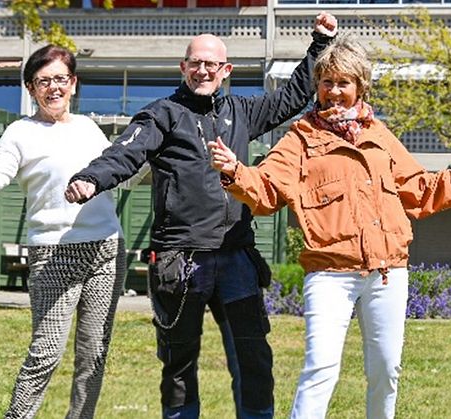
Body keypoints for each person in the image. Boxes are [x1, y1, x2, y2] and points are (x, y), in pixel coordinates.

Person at [64, 13, 339, 419]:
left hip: (236, 257)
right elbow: (126, 152)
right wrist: (91, 179)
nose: (203, 70)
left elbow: (293, 95)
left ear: (226, 71)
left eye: (212, 64)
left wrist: (320, 42)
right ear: (183, 67)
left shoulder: (243, 112)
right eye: (196, 62)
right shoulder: (162, 114)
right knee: (178, 364)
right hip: (179, 260)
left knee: (254, 358)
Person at [208, 33, 451, 419]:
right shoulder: (301, 138)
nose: (334, 91)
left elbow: (421, 191)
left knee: (386, 370)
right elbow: (266, 190)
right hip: (329, 273)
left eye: (343, 82)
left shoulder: (380, 135)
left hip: (386, 272)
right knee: (321, 367)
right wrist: (235, 172)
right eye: (327, 82)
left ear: (360, 85)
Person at [0, 45, 126, 419]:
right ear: (31, 88)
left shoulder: (89, 128)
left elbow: (120, 173)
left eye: (61, 79)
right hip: (54, 254)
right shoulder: (20, 132)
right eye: (44, 81)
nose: (53, 88)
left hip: (107, 249)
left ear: (73, 84)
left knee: (94, 354)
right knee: (46, 354)